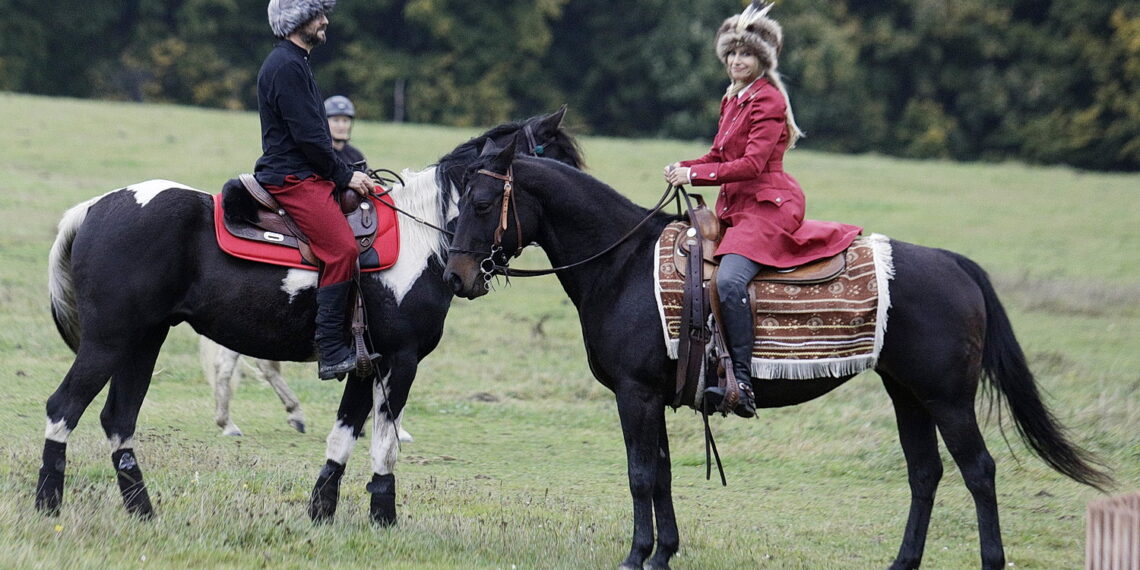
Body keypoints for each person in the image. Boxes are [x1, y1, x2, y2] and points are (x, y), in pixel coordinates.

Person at [664, 1, 862, 418]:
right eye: (733, 53)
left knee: (731, 281)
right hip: (737, 207)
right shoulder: (733, 99)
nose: (738, 60)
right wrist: (685, 167)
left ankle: (742, 381)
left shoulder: (767, 100)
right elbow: (717, 153)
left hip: (768, 207)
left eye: (747, 54)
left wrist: (696, 178)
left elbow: (752, 166)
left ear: (762, 60)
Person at [257, 0, 376, 380]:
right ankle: (330, 347)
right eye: (318, 15)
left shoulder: (295, 62)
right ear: (298, 22)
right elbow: (310, 139)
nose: (325, 21)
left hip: (306, 173)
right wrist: (345, 176)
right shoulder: (287, 66)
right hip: (293, 179)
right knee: (341, 249)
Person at [324, 95, 368, 169]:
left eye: (345, 120)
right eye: (336, 120)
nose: (341, 126)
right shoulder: (320, 155)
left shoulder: (356, 156)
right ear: (324, 122)